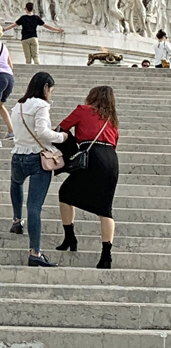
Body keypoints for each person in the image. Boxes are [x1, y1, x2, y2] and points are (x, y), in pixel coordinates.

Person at [9, 71, 69, 267]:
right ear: (45, 88)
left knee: (16, 183)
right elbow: (42, 132)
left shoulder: (17, 105)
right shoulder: (41, 105)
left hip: (18, 154)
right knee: (34, 206)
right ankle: (35, 252)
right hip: (37, 157)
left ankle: (17, 220)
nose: (50, 93)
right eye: (50, 90)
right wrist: (61, 137)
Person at [56, 86, 119, 269]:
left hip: (92, 157)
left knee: (65, 193)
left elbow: (61, 128)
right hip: (111, 160)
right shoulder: (112, 119)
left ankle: (70, 237)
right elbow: (114, 142)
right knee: (105, 209)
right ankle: (106, 256)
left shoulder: (83, 110)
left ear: (92, 96)